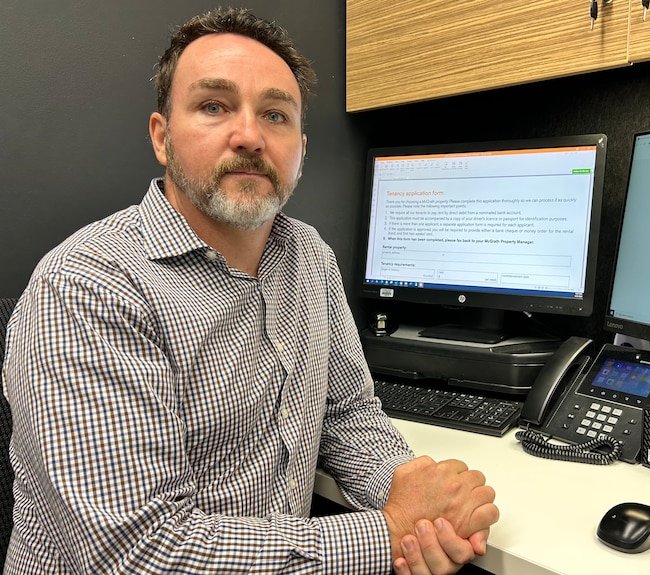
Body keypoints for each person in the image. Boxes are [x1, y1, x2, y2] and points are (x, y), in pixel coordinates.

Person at [1, 7, 498, 574]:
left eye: (276, 115)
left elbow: (348, 415)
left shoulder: (309, 257)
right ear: (162, 138)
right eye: (214, 106)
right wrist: (387, 532)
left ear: (301, 151)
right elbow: (138, 555)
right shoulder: (88, 286)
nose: (250, 135)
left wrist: (424, 502)